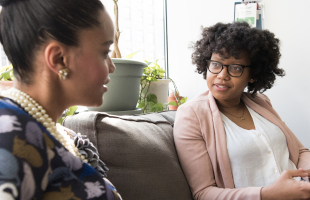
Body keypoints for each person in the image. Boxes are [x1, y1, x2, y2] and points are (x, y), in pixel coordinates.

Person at [173, 21, 310, 200]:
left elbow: (300, 151)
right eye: (216, 64)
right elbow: (203, 193)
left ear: (253, 75)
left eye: (236, 68)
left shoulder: (261, 102)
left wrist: (306, 176)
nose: (222, 75)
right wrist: (268, 195)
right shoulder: (191, 115)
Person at [0, 0, 122, 199]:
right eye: (105, 52)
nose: (112, 67)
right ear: (59, 59)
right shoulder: (9, 133)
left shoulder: (59, 134)